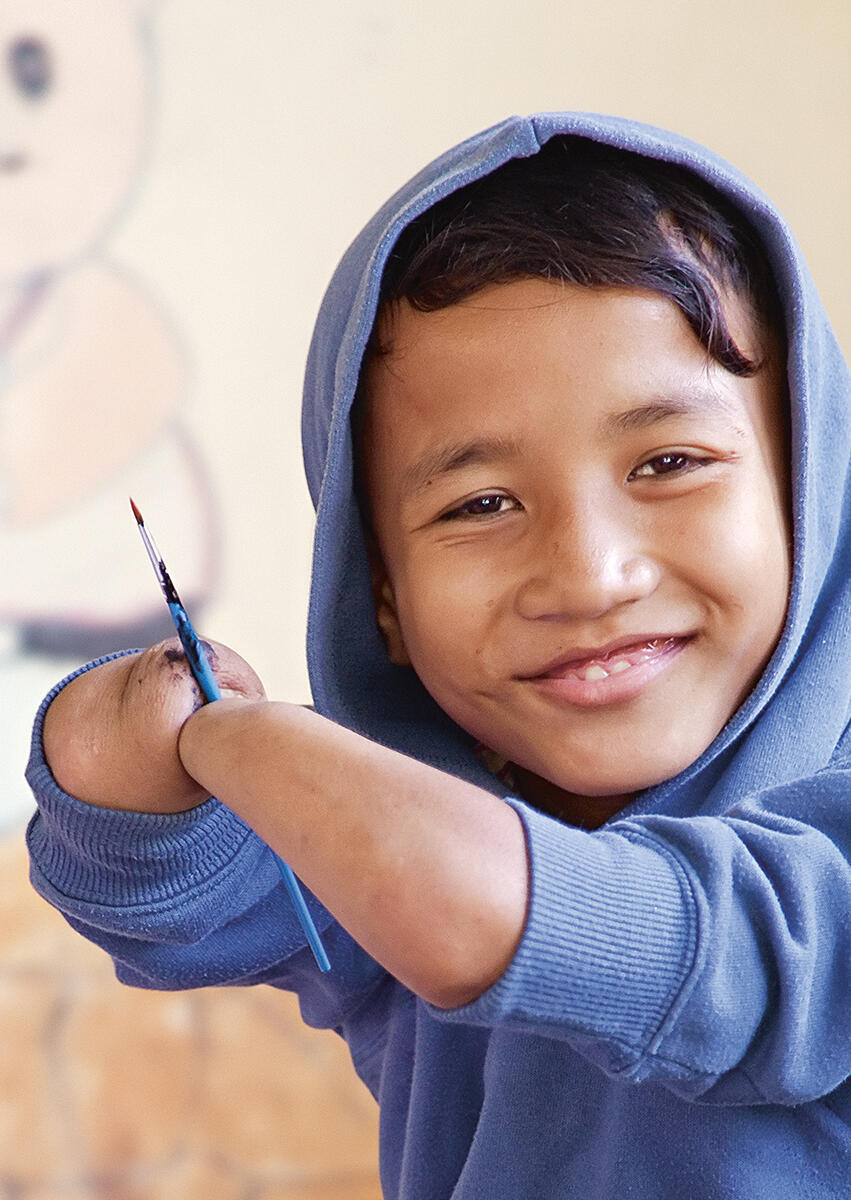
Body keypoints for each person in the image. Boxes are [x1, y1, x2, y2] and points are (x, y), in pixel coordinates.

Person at [26, 114, 851, 1198]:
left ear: (807, 495)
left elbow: (509, 917)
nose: (589, 574)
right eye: (482, 502)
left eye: (667, 462)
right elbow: (152, 885)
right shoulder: (399, 829)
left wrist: (246, 742)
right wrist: (146, 714)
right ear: (380, 598)